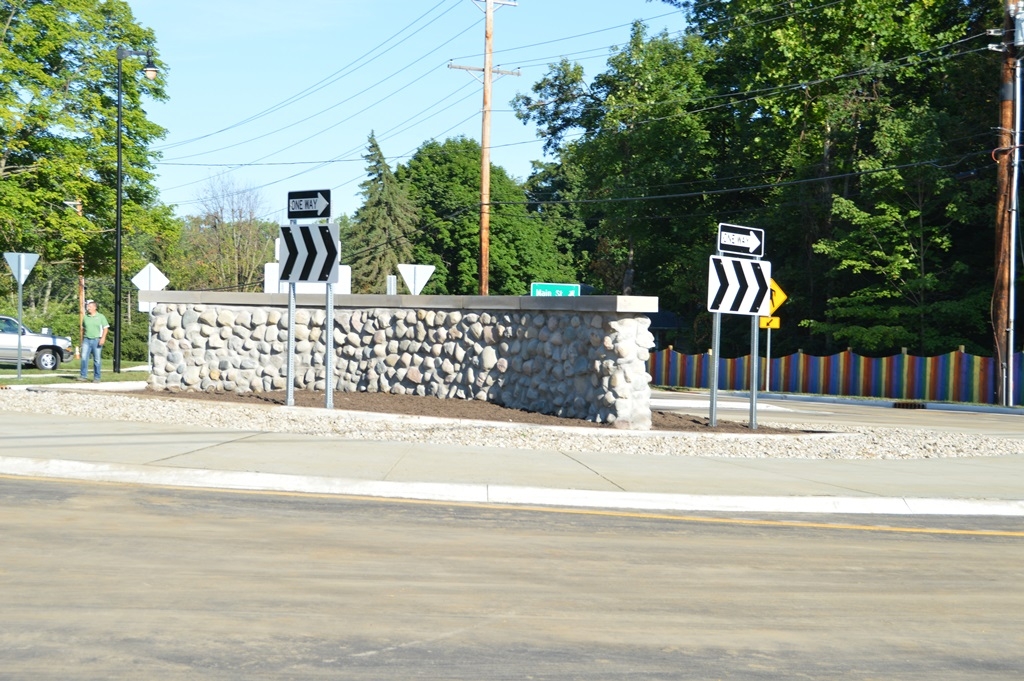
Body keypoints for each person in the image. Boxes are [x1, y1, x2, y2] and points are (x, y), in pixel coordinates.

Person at [79, 299, 109, 382]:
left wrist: (103, 338)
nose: (88, 308)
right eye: (88, 307)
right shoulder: (85, 317)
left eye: (90, 307)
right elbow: (83, 329)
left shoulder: (101, 317)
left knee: (97, 359)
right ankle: (83, 375)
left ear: (95, 308)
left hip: (97, 340)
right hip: (86, 340)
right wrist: (82, 339)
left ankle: (97, 377)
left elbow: (105, 328)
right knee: (84, 357)